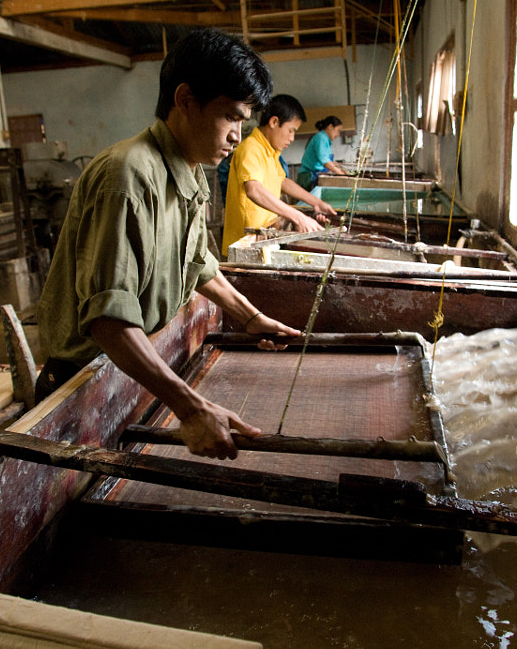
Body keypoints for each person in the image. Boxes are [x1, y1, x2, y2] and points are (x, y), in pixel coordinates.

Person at [35, 28, 301, 461]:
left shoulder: (189, 171)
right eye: (231, 117)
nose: (237, 135)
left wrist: (250, 317)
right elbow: (108, 319)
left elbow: (198, 264)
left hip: (127, 369)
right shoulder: (128, 176)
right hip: (79, 385)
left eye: (244, 122)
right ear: (185, 100)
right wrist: (191, 408)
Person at [221, 94, 337, 255]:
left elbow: (282, 181)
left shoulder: (270, 151)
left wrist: (316, 202)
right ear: (274, 122)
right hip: (245, 245)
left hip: (263, 235)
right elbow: (254, 190)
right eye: (291, 131)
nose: (292, 138)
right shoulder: (251, 149)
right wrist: (299, 217)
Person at [296, 115, 349, 191]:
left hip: (313, 175)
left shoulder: (326, 140)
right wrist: (341, 174)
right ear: (330, 126)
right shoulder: (321, 137)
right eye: (338, 130)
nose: (338, 134)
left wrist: (342, 168)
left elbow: (330, 161)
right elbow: (325, 161)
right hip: (308, 176)